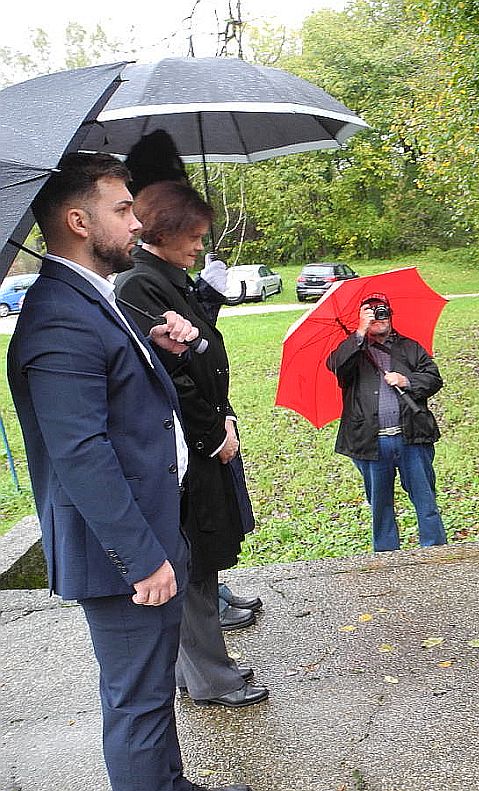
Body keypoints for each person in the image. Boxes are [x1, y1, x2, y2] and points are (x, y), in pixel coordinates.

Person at [6, 152, 250, 791]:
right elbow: (80, 453)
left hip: (152, 529)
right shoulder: (57, 317)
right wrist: (142, 559)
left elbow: (118, 398)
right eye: (122, 210)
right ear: (78, 221)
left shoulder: (90, 297)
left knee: (151, 691)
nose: (137, 223)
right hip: (121, 552)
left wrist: (159, 352)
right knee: (136, 702)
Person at [113, 180, 269, 710]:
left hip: (203, 430)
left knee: (202, 557)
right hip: (185, 443)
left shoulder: (167, 278)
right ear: (165, 231)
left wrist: (209, 294)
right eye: (194, 236)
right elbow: (173, 377)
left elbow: (199, 343)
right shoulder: (141, 284)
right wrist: (212, 434)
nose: (201, 246)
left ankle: (195, 671)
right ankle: (213, 680)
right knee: (195, 562)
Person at [325, 294, 447, 552]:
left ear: (391, 315)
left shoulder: (410, 347)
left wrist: (407, 381)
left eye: (382, 312)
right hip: (371, 442)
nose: (378, 318)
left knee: (425, 500)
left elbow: (434, 378)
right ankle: (386, 557)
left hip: (412, 437)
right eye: (370, 313)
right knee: (380, 506)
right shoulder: (352, 352)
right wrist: (359, 333)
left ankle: (436, 551)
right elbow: (336, 366)